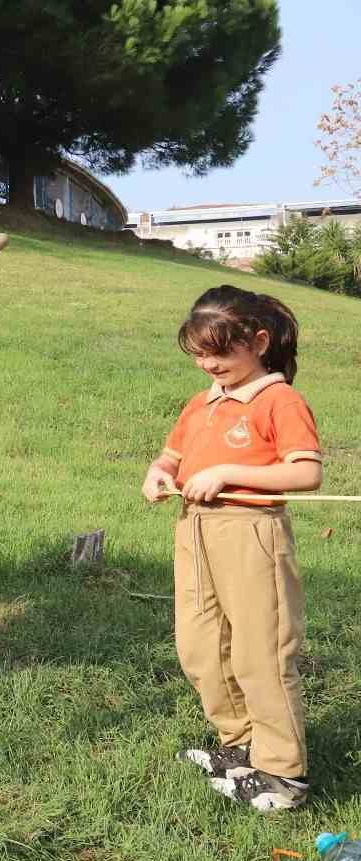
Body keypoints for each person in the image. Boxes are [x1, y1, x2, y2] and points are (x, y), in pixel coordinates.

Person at [141, 285, 322, 812]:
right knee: (200, 647)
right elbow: (170, 458)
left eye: (220, 352)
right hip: (194, 529)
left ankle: (283, 774)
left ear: (259, 342)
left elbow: (306, 472)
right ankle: (240, 744)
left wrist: (225, 473)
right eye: (199, 353)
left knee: (259, 652)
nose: (208, 364)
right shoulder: (201, 404)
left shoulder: (278, 399)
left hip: (251, 532)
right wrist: (158, 474)